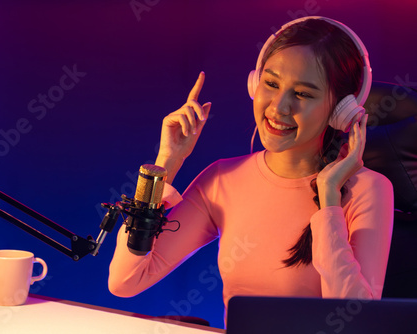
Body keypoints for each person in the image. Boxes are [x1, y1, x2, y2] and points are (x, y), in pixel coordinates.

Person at [108, 16, 394, 322]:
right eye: (271, 84)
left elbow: (359, 322)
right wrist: (165, 164)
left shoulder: (368, 189)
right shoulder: (222, 180)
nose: (279, 107)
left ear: (341, 110)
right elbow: (126, 282)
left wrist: (329, 200)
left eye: (303, 94)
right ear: (255, 84)